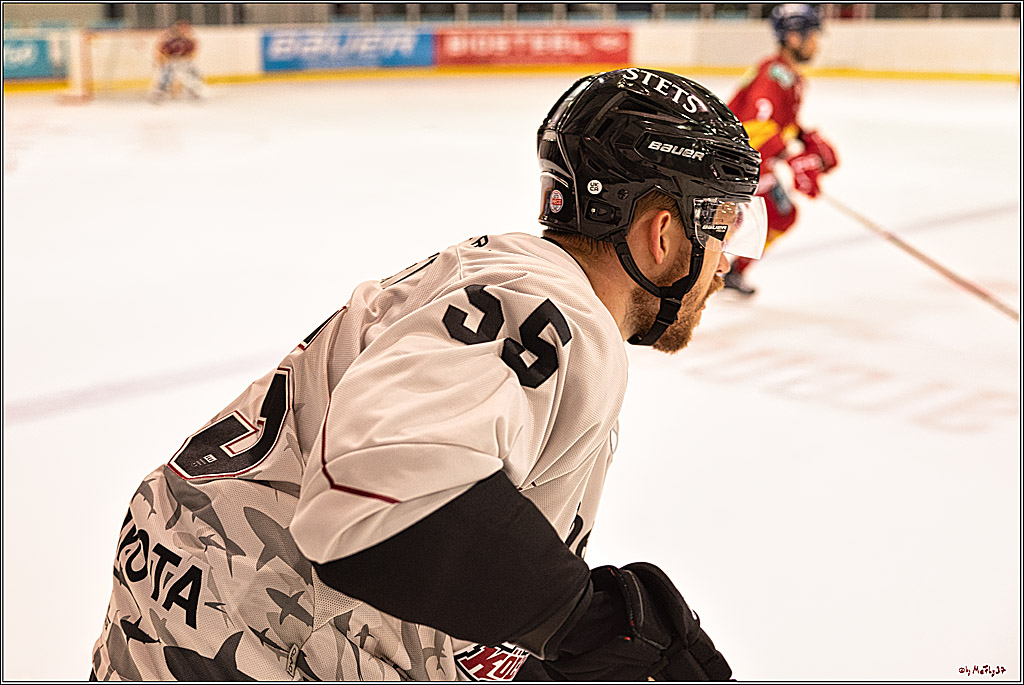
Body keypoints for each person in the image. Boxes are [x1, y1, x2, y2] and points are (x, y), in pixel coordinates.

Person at [90, 68, 768, 681]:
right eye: (724, 227)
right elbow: (377, 498)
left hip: (192, 604)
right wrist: (588, 620)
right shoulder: (553, 311)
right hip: (244, 637)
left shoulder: (497, 275)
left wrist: (542, 654)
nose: (724, 263)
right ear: (663, 231)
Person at [723, 3, 839, 296]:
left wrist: (805, 138)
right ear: (793, 36)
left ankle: (727, 273)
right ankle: (711, 273)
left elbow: (779, 122)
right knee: (766, 217)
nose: (816, 43)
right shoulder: (774, 75)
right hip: (737, 163)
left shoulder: (787, 75)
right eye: (812, 34)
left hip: (754, 161)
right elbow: (755, 125)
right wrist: (794, 157)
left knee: (779, 216)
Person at [150, 20, 205, 102]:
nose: (184, 31)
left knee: (194, 72)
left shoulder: (190, 41)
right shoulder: (168, 40)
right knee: (166, 73)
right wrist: (162, 62)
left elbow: (193, 55)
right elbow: (161, 53)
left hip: (184, 61)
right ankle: (160, 91)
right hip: (171, 61)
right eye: (182, 29)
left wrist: (185, 61)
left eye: (186, 29)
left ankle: (194, 90)